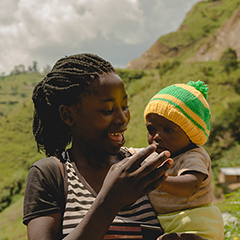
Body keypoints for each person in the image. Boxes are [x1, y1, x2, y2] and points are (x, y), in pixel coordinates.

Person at [23, 53, 206, 240]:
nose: (122, 119)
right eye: (107, 110)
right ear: (68, 115)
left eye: (124, 106)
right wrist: (109, 202)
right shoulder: (50, 175)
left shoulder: (143, 167)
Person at [142, 80, 224, 240]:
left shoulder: (193, 155)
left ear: (190, 133)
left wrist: (158, 181)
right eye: (151, 129)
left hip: (196, 223)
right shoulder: (156, 154)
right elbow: (130, 155)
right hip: (171, 222)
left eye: (168, 130)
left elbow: (190, 185)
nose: (157, 136)